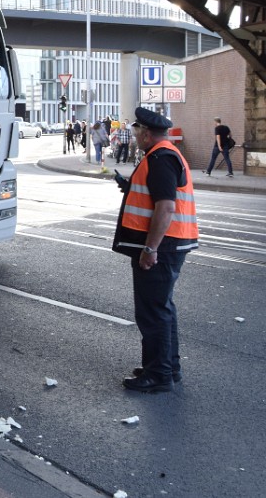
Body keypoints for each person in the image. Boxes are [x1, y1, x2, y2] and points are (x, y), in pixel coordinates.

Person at [112, 107, 198, 393]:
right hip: (171, 245)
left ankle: (158, 374)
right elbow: (155, 197)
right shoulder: (162, 154)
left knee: (152, 313)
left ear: (147, 133)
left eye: (137, 132)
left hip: (163, 248)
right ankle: (166, 367)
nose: (135, 136)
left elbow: (166, 206)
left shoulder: (161, 158)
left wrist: (150, 249)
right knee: (163, 309)